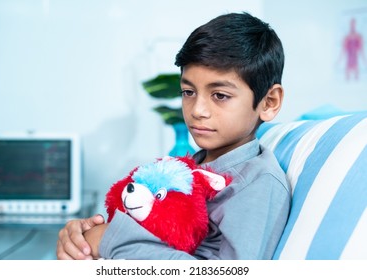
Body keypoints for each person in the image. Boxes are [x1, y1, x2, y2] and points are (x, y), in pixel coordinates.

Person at [56, 12, 291, 260]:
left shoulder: (257, 184)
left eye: (220, 95)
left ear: (269, 102)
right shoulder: (190, 168)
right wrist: (82, 238)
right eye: (188, 91)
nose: (197, 111)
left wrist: (110, 239)